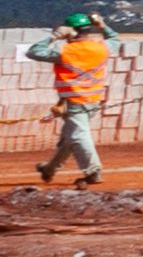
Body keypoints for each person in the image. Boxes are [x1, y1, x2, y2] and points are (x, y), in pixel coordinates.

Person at [23, 12, 113, 186]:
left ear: (71, 31)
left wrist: (55, 36)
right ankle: (49, 169)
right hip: (94, 100)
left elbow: (33, 52)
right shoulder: (102, 47)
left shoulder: (64, 51)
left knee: (79, 135)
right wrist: (103, 26)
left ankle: (93, 171)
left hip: (75, 102)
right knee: (69, 137)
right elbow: (115, 39)